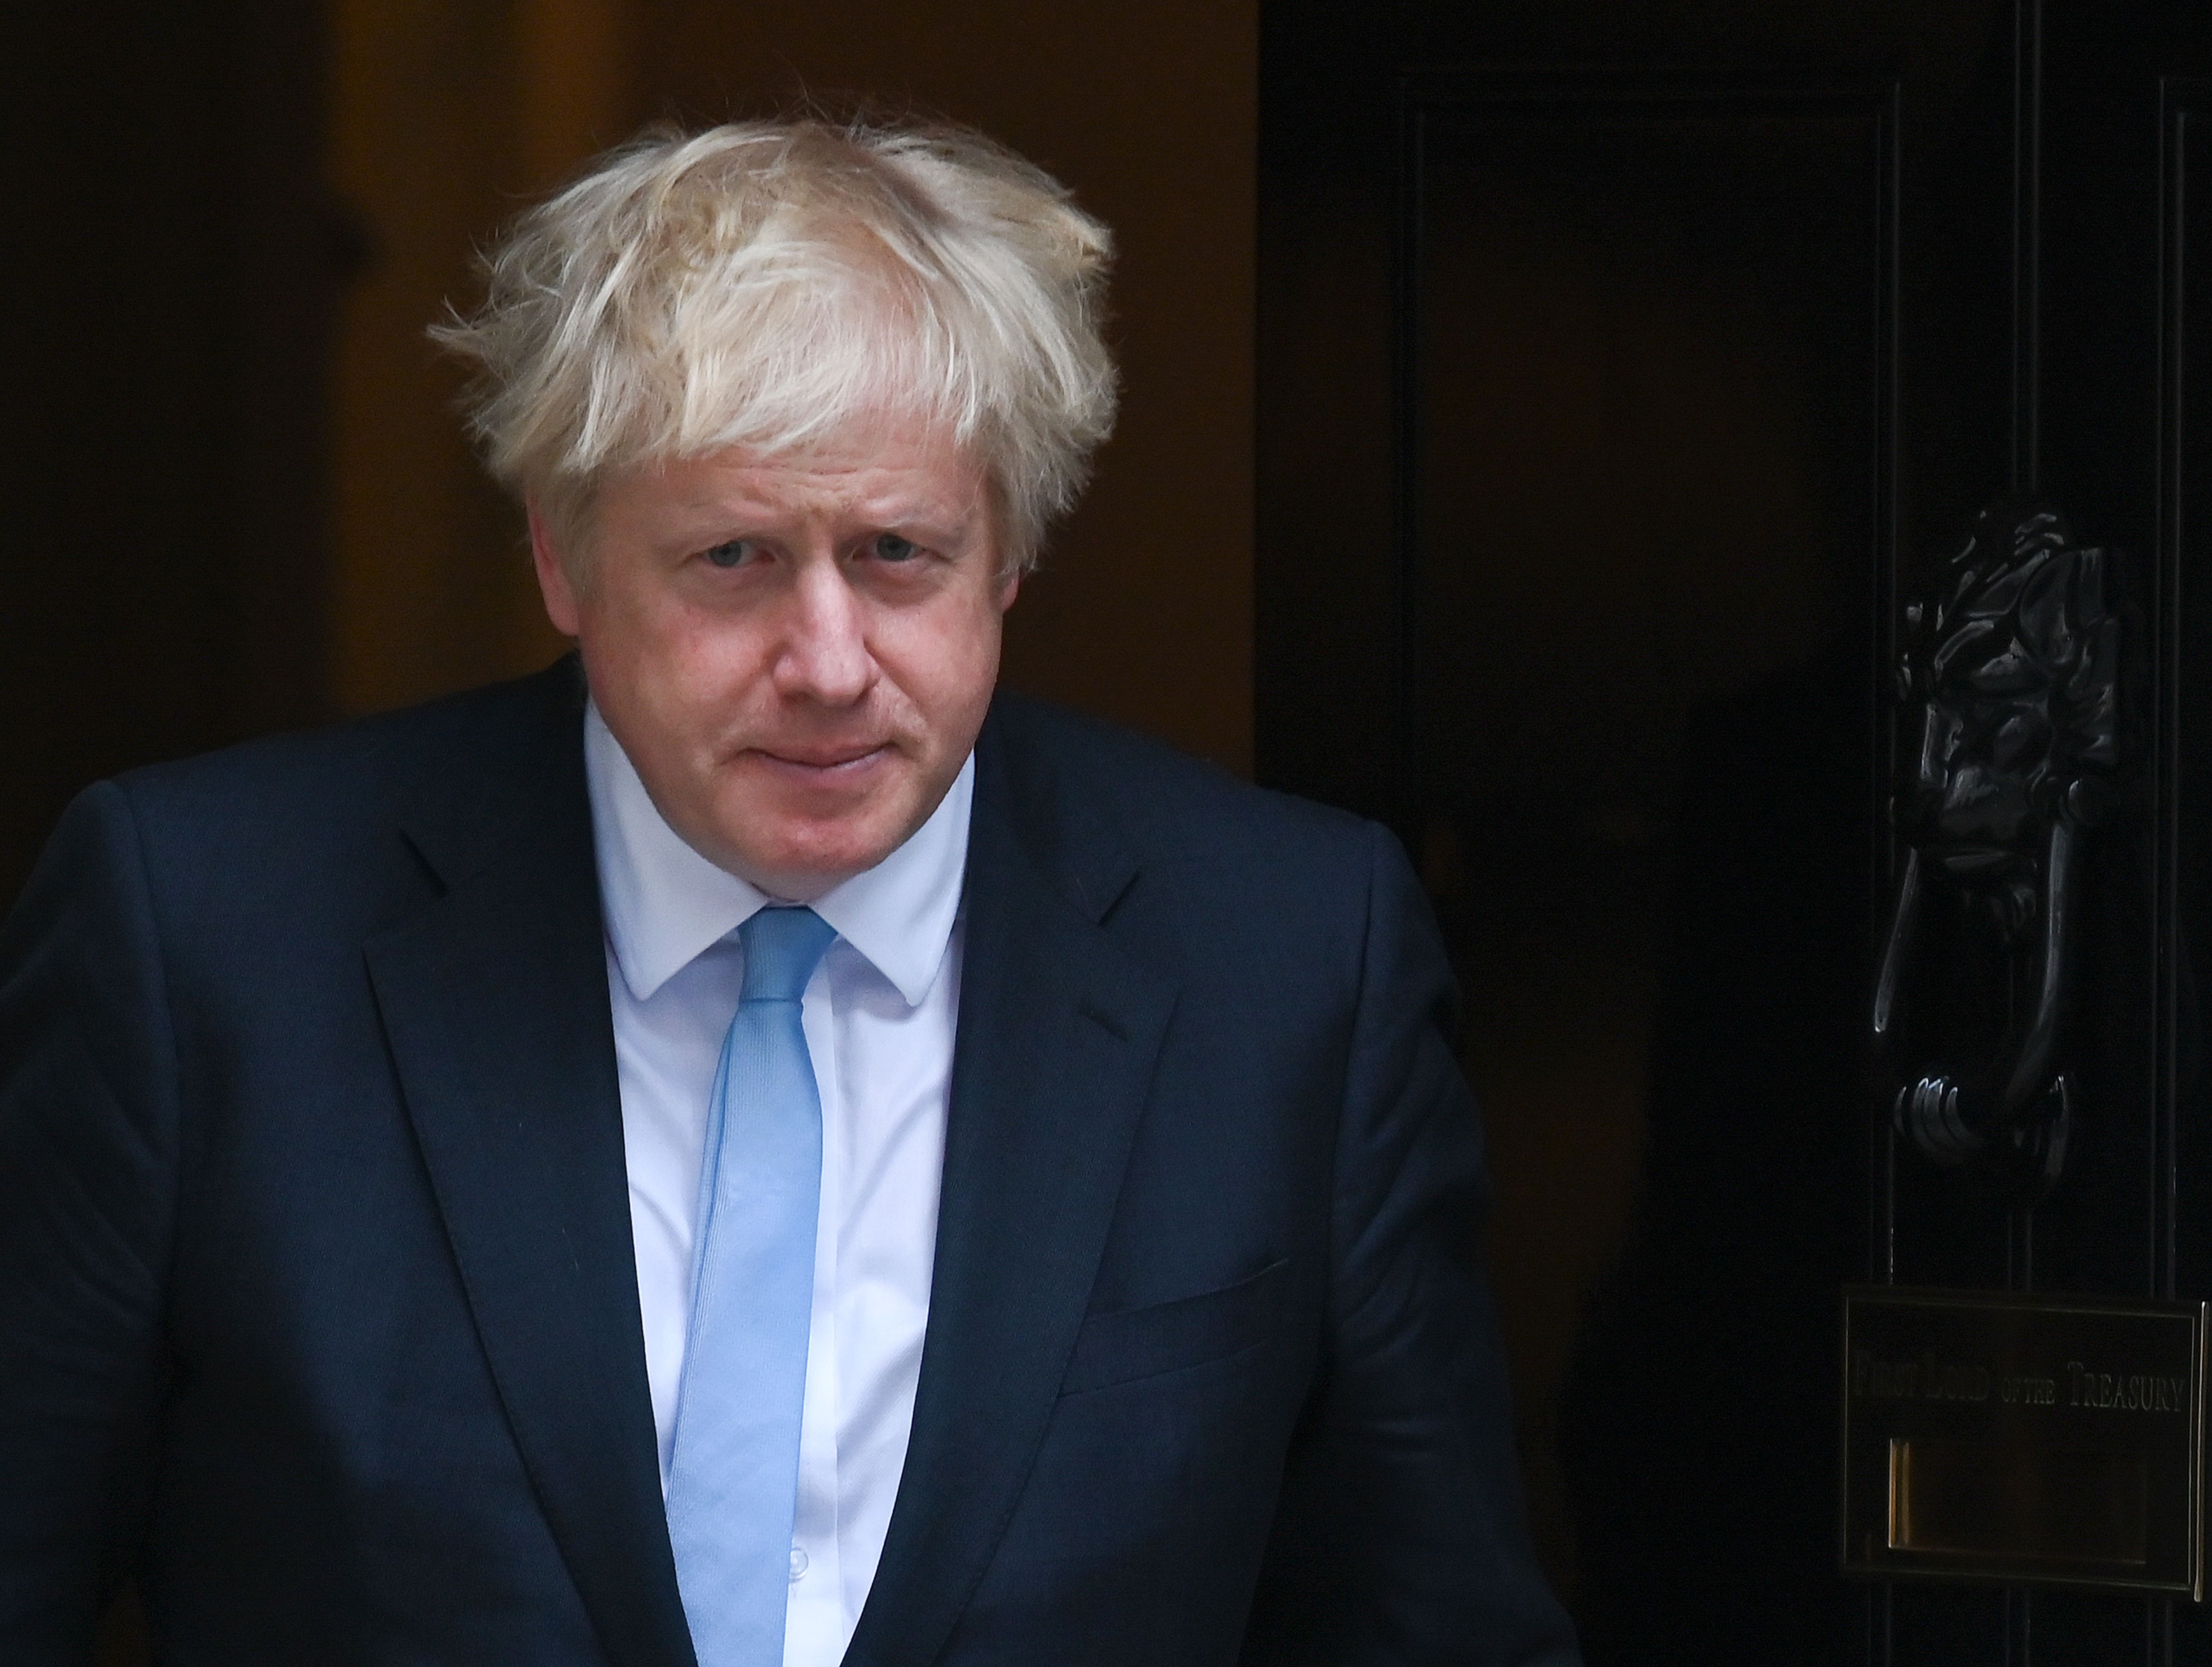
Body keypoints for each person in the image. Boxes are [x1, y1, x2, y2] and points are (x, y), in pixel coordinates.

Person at [0, 115, 1576, 1666]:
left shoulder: (1292, 958)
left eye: (898, 552)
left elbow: (1432, 1623)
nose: (829, 666)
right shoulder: (204, 936)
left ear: (1008, 553)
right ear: (562, 559)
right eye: (735, 559)